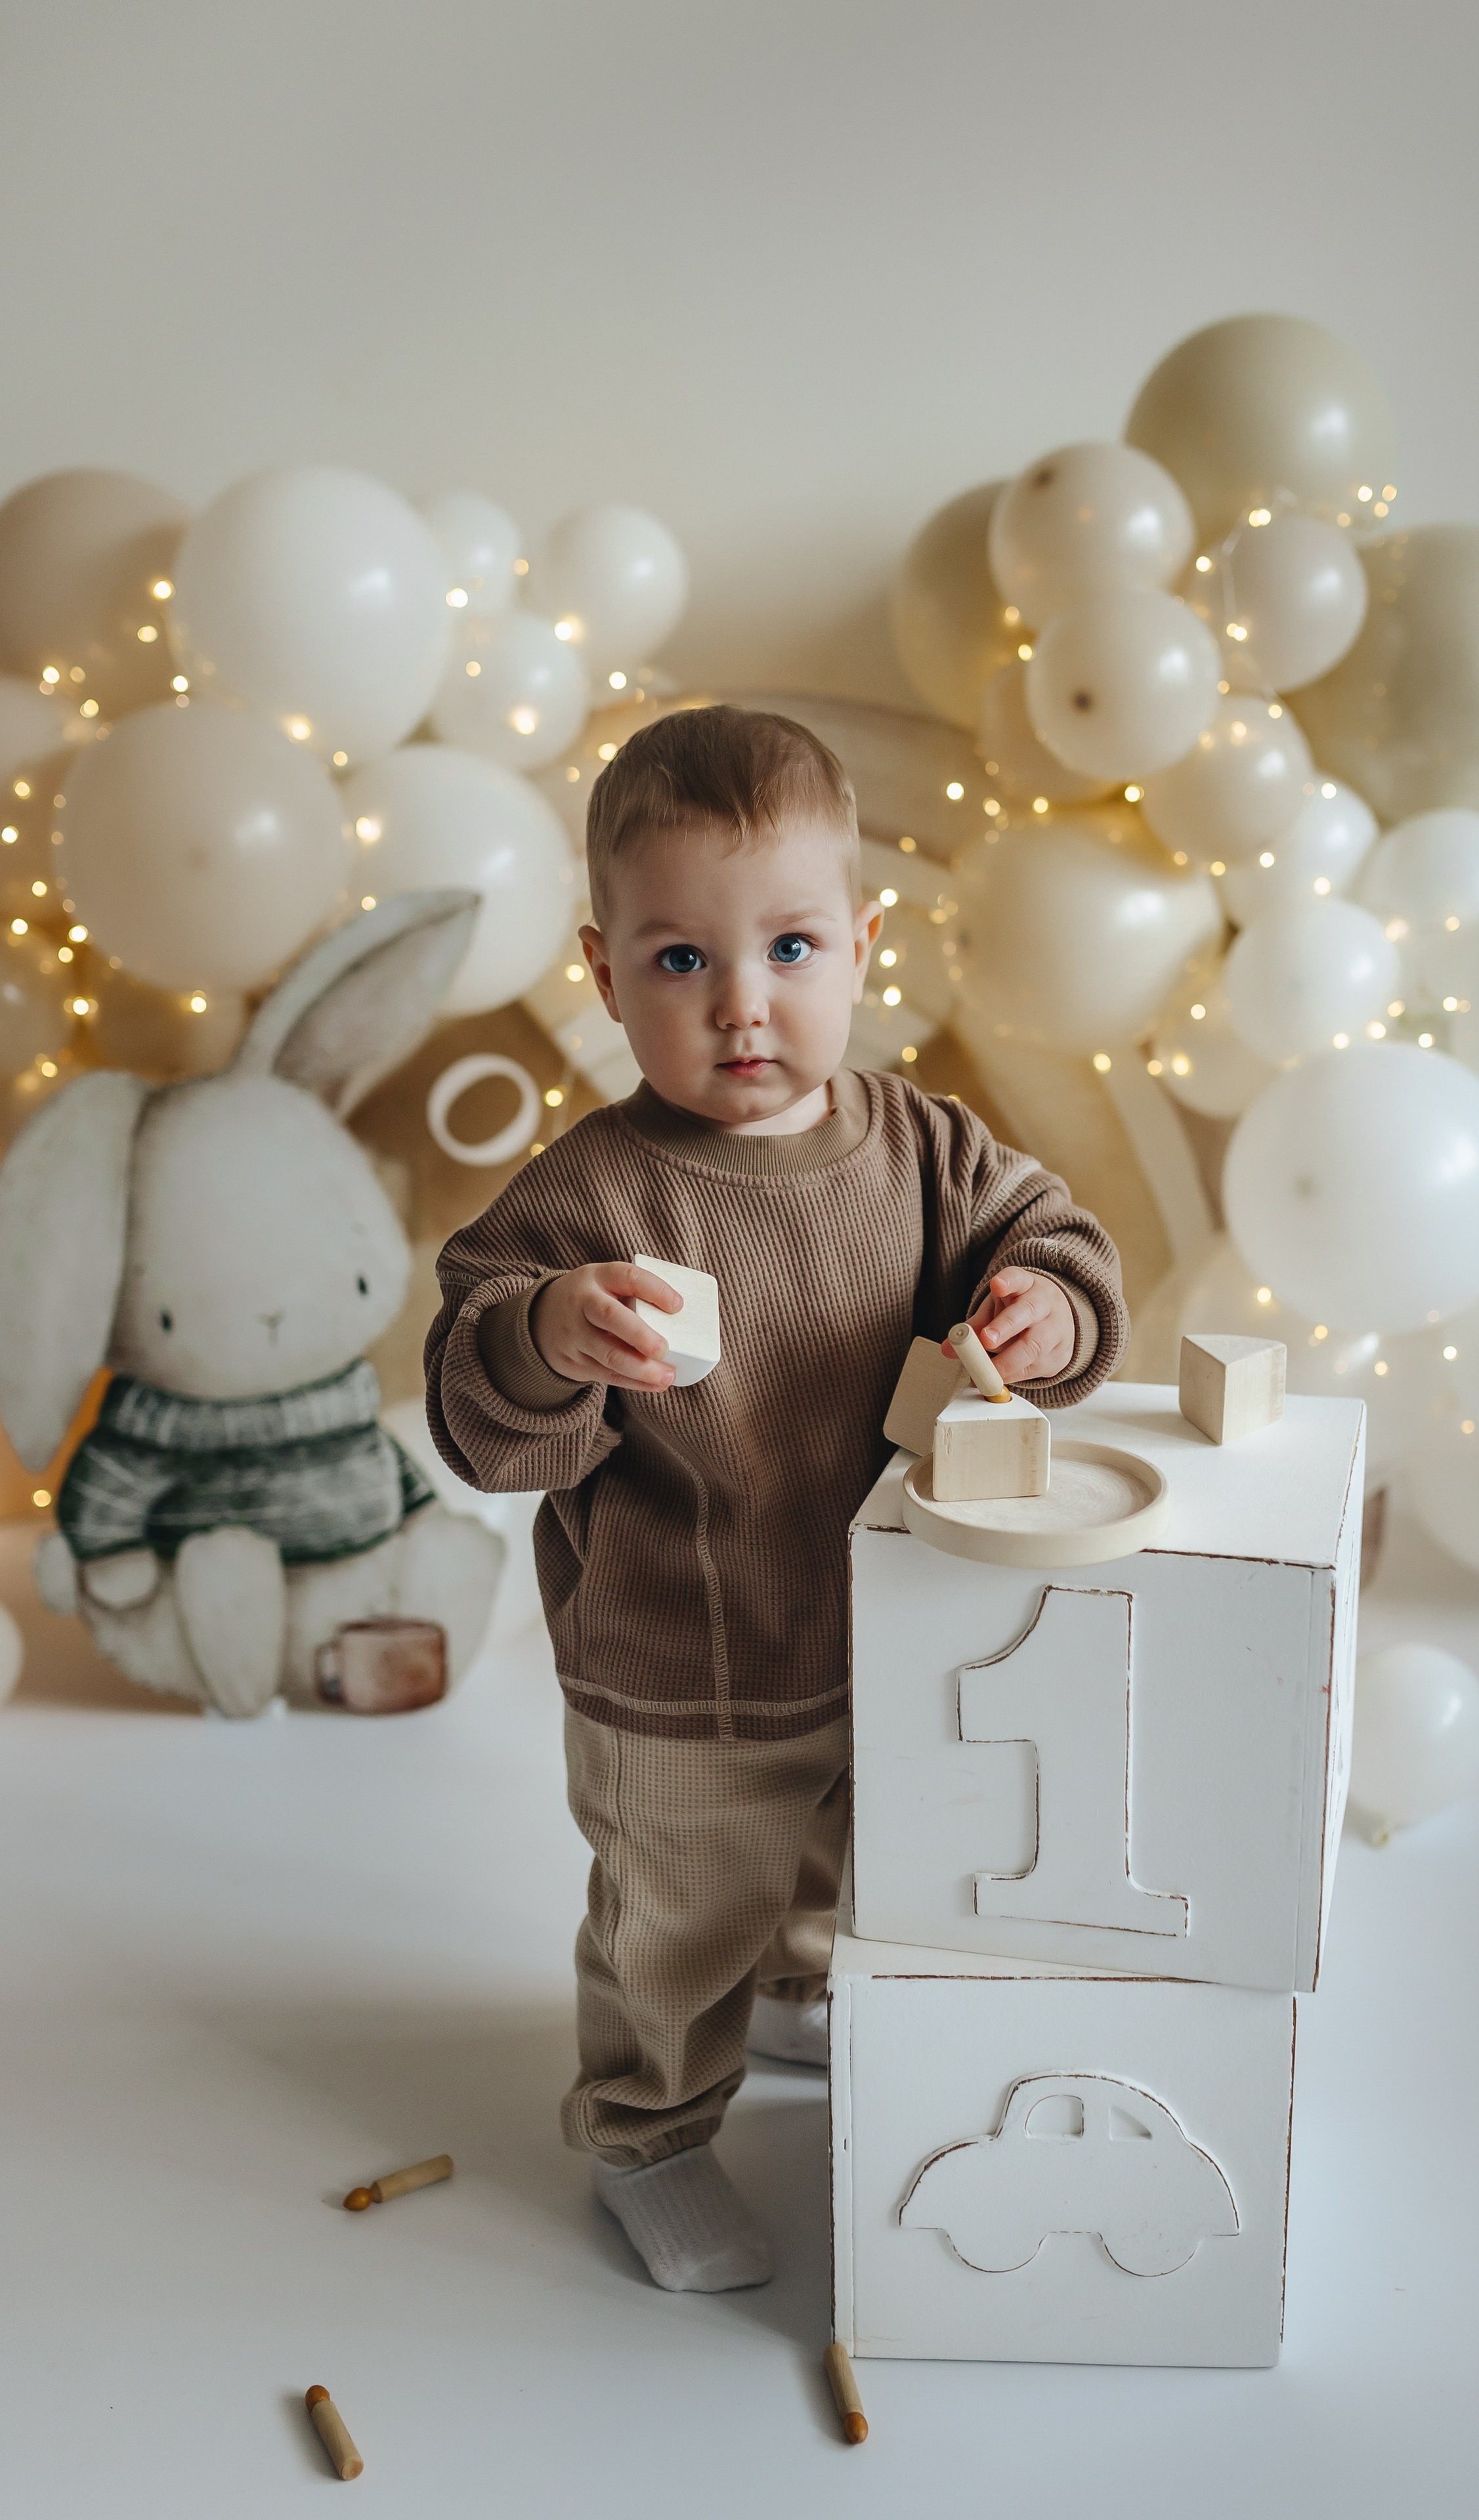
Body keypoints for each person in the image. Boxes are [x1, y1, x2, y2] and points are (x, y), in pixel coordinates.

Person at [425, 705, 1125, 2293]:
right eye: (681, 963)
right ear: (603, 973)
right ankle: (646, 2134)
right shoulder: (591, 1195)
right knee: (680, 1921)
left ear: (864, 946)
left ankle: (799, 2000)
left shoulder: (928, 1154)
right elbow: (476, 1405)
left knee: (835, 1865)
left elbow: (1059, 1239)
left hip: (881, 1634)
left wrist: (1044, 1312)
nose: (743, 1007)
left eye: (791, 948)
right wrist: (547, 1334)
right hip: (680, 1669)